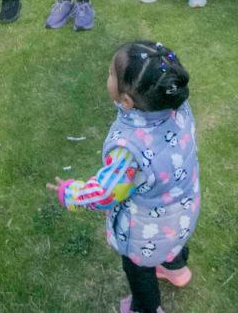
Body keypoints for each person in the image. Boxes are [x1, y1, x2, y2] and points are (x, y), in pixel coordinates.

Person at [47, 41, 199, 313]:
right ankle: (176, 270)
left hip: (145, 232)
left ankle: (146, 308)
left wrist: (70, 193)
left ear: (127, 101)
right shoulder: (180, 108)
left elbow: (107, 192)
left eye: (110, 74)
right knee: (173, 242)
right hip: (184, 211)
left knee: (139, 270)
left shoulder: (130, 149)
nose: (107, 77)